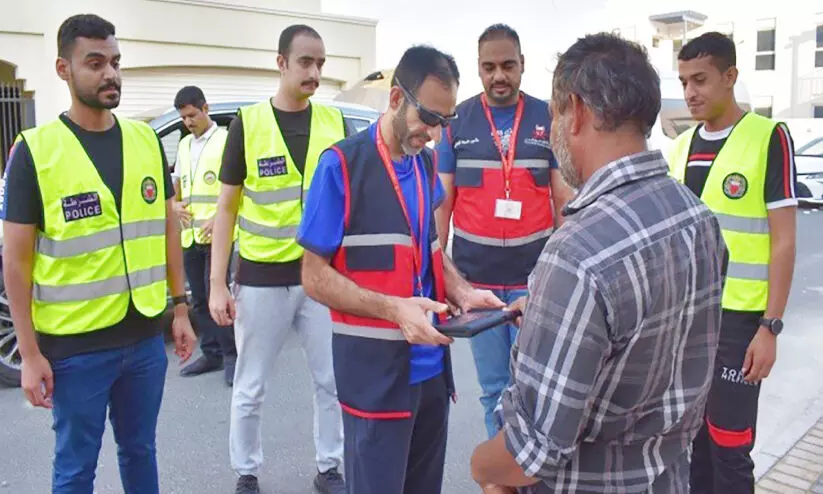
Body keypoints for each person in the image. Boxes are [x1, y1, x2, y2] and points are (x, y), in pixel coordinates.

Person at [470, 33, 727, 493]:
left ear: (578, 111)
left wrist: (479, 466)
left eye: (554, 114)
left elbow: (530, 454)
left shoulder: (576, 255)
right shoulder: (697, 217)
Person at [0, 14, 196, 494]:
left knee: (140, 452)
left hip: (144, 339)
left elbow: (167, 227)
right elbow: (16, 262)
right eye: (94, 63)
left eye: (115, 62)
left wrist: (181, 307)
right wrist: (28, 354)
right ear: (64, 70)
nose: (110, 74)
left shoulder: (146, 139)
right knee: (75, 469)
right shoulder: (35, 151)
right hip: (75, 349)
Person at [298, 44, 506, 494]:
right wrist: (395, 309)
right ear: (395, 99)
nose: (434, 133)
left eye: (444, 122)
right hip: (375, 378)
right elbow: (313, 277)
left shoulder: (425, 163)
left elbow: (429, 247)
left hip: (431, 372)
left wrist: (462, 291)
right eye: (428, 118)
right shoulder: (340, 167)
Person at [207, 24, 346, 494]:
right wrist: (216, 284)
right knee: (250, 386)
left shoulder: (334, 122)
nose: (314, 72)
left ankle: (331, 467)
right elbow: (226, 208)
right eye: (305, 62)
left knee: (331, 382)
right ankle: (246, 472)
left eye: (321, 64)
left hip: (321, 277)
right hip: (262, 279)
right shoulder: (248, 124)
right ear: (281, 62)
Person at [671, 32, 797, 494]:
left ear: (730, 77)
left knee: (730, 446)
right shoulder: (681, 146)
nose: (690, 92)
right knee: (692, 443)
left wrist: (771, 327)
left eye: (700, 79)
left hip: (741, 325)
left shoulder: (768, 138)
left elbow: (784, 241)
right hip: (689, 323)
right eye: (684, 81)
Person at [434, 23, 573, 438]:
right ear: (478, 68)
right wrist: (439, 274)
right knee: (494, 389)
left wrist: (560, 275)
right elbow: (442, 205)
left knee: (535, 390)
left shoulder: (547, 117)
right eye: (489, 67)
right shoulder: (456, 122)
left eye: (507, 65)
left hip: (534, 284)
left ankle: (531, 475)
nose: (499, 76)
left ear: (522, 65)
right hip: (477, 286)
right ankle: (503, 481)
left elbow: (563, 202)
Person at [171, 85, 238, 386]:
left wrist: (218, 218)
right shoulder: (184, 145)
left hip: (218, 233)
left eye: (192, 115)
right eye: (184, 118)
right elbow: (177, 182)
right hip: (190, 234)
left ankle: (232, 355)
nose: (188, 122)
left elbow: (238, 185)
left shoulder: (225, 140)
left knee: (217, 297)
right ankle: (211, 353)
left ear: (205, 108)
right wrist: (174, 203)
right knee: (198, 299)